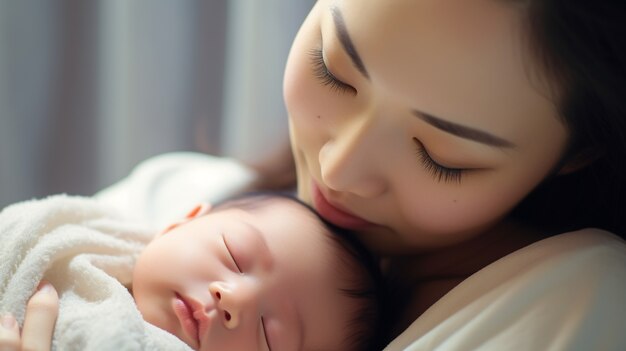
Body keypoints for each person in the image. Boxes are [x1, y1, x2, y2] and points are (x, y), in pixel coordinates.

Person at [8, 0, 626, 349]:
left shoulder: (578, 303)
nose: (337, 169)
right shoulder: (178, 197)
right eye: (334, 69)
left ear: (581, 150)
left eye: (442, 156)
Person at [1, 193, 388, 351]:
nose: (233, 299)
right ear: (181, 222)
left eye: (270, 335)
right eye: (234, 255)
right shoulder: (75, 240)